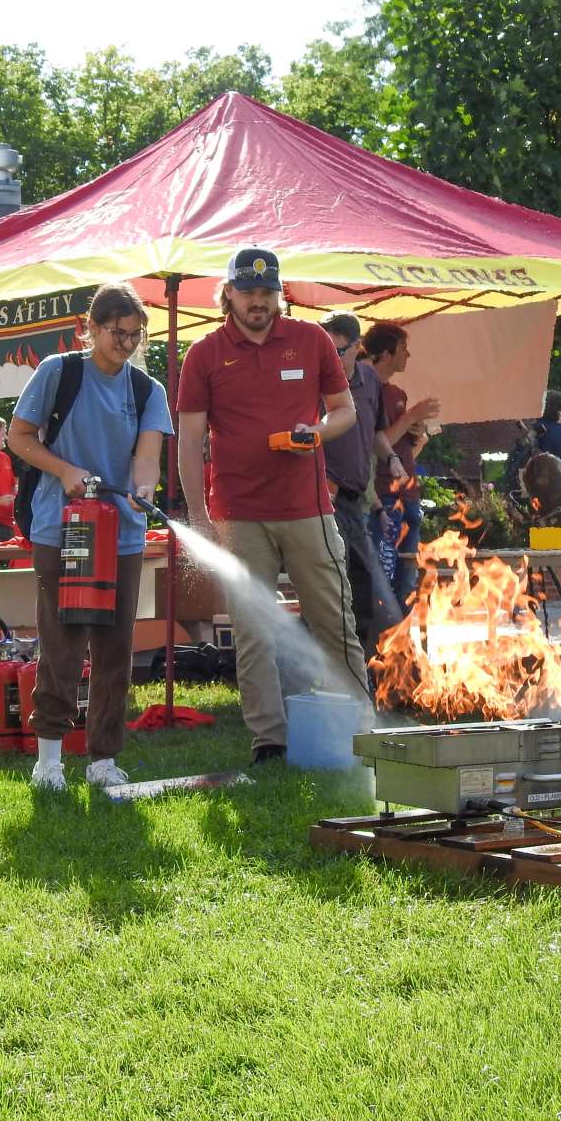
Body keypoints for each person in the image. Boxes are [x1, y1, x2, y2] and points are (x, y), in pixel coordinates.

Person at [175, 248, 367, 764]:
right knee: (253, 631)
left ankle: (362, 730)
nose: (258, 302)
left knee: (334, 621)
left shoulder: (311, 339)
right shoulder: (205, 353)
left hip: (309, 508)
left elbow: (344, 411)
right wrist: (197, 517)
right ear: (228, 294)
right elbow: (189, 441)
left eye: (267, 292)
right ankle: (269, 741)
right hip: (237, 512)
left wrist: (318, 432)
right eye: (248, 292)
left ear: (279, 294)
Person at [9, 283, 172, 790]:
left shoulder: (148, 390)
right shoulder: (58, 373)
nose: (126, 343)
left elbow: (147, 459)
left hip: (121, 533)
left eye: (134, 335)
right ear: (93, 328)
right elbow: (19, 436)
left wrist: (140, 492)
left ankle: (103, 758)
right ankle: (49, 761)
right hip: (60, 529)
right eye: (116, 333)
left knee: (115, 646)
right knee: (61, 640)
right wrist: (64, 470)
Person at [319, 312, 401, 655]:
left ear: (357, 348)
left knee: (364, 585)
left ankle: (364, 666)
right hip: (325, 499)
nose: (331, 358)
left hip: (355, 502)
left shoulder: (369, 379)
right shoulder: (314, 382)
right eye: (327, 350)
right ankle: (326, 668)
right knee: (330, 585)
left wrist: (392, 458)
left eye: (339, 351)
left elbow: (376, 432)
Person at [363, 321, 440, 608]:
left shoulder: (398, 394)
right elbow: (374, 442)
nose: (408, 355)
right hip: (383, 498)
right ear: (386, 353)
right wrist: (410, 418)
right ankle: (381, 644)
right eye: (403, 348)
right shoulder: (366, 392)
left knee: (407, 580)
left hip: (408, 495)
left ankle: (402, 648)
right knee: (384, 577)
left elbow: (399, 448)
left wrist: (417, 436)